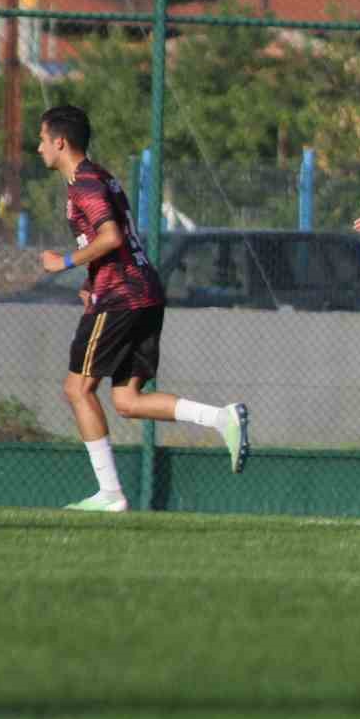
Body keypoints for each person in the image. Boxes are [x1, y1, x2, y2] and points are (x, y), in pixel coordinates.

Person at [37, 105, 248, 512]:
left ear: (60, 142)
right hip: (143, 291)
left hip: (120, 297)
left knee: (77, 388)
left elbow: (112, 236)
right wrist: (88, 281)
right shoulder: (101, 178)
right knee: (128, 400)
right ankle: (223, 420)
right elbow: (117, 240)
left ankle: (111, 494)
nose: (39, 146)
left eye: (43, 139)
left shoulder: (84, 183)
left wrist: (61, 264)